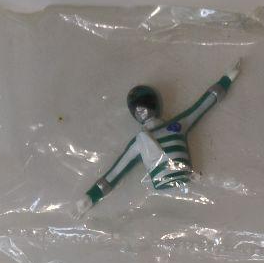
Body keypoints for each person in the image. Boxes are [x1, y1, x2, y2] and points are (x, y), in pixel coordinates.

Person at [78, 63, 240, 211]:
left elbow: (200, 107)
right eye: (138, 109)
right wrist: (91, 196)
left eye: (145, 106)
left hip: (181, 179)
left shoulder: (170, 129)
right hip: (175, 183)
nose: (142, 111)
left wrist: (225, 81)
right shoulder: (148, 138)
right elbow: (116, 171)